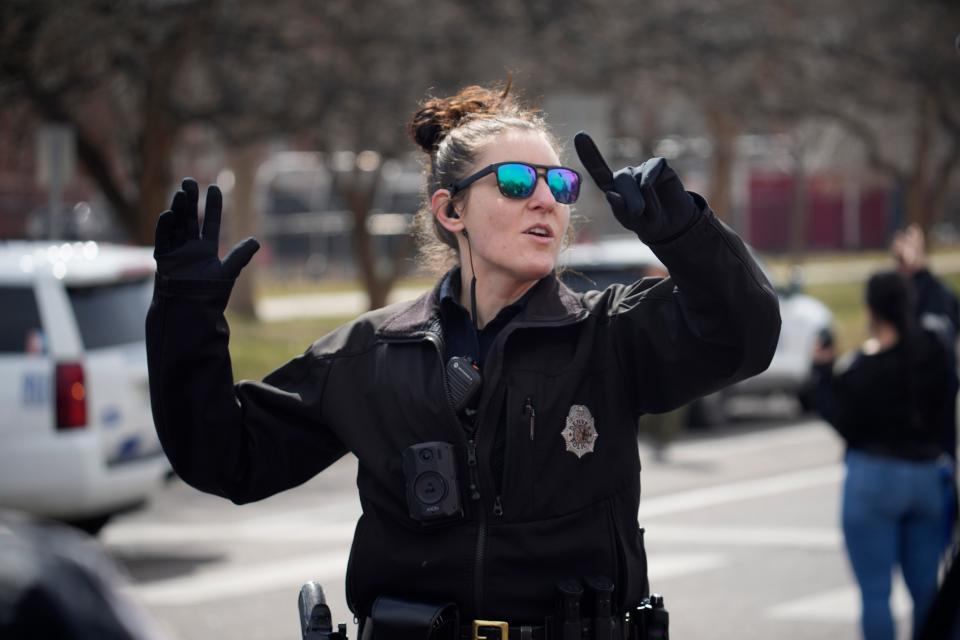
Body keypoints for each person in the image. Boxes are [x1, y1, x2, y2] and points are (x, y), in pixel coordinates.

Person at [146, 83, 780, 635]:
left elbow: (743, 336)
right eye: (513, 182)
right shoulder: (368, 355)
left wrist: (686, 235)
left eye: (559, 184)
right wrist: (186, 316)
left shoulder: (609, 333)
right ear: (450, 211)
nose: (545, 201)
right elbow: (225, 457)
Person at [814, 271, 958, 640]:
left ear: (870, 311)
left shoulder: (862, 370)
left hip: (873, 479)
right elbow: (946, 315)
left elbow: (838, 416)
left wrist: (822, 370)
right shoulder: (933, 350)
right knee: (927, 589)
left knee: (875, 593)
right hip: (928, 477)